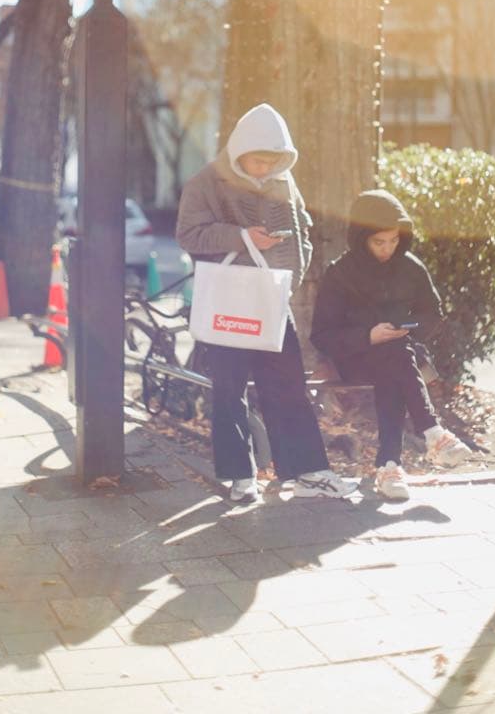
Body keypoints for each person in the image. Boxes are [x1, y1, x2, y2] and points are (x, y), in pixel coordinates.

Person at [176, 103, 357, 504]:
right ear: (239, 152)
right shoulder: (206, 182)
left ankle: (308, 471)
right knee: (229, 389)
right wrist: (242, 237)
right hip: (228, 299)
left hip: (272, 300)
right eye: (257, 162)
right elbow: (189, 235)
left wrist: (293, 268)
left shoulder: (284, 181)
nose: (263, 171)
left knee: (289, 384)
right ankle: (241, 476)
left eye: (271, 163)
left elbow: (302, 231)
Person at [310, 189, 471, 502]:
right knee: (393, 357)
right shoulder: (339, 273)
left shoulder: (410, 266)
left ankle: (390, 466)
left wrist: (407, 329)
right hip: (353, 356)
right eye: (378, 242)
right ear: (361, 239)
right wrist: (367, 336)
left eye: (394, 240)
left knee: (393, 356)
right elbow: (322, 334)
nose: (387, 249)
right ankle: (429, 437)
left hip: (400, 353)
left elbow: (433, 313)